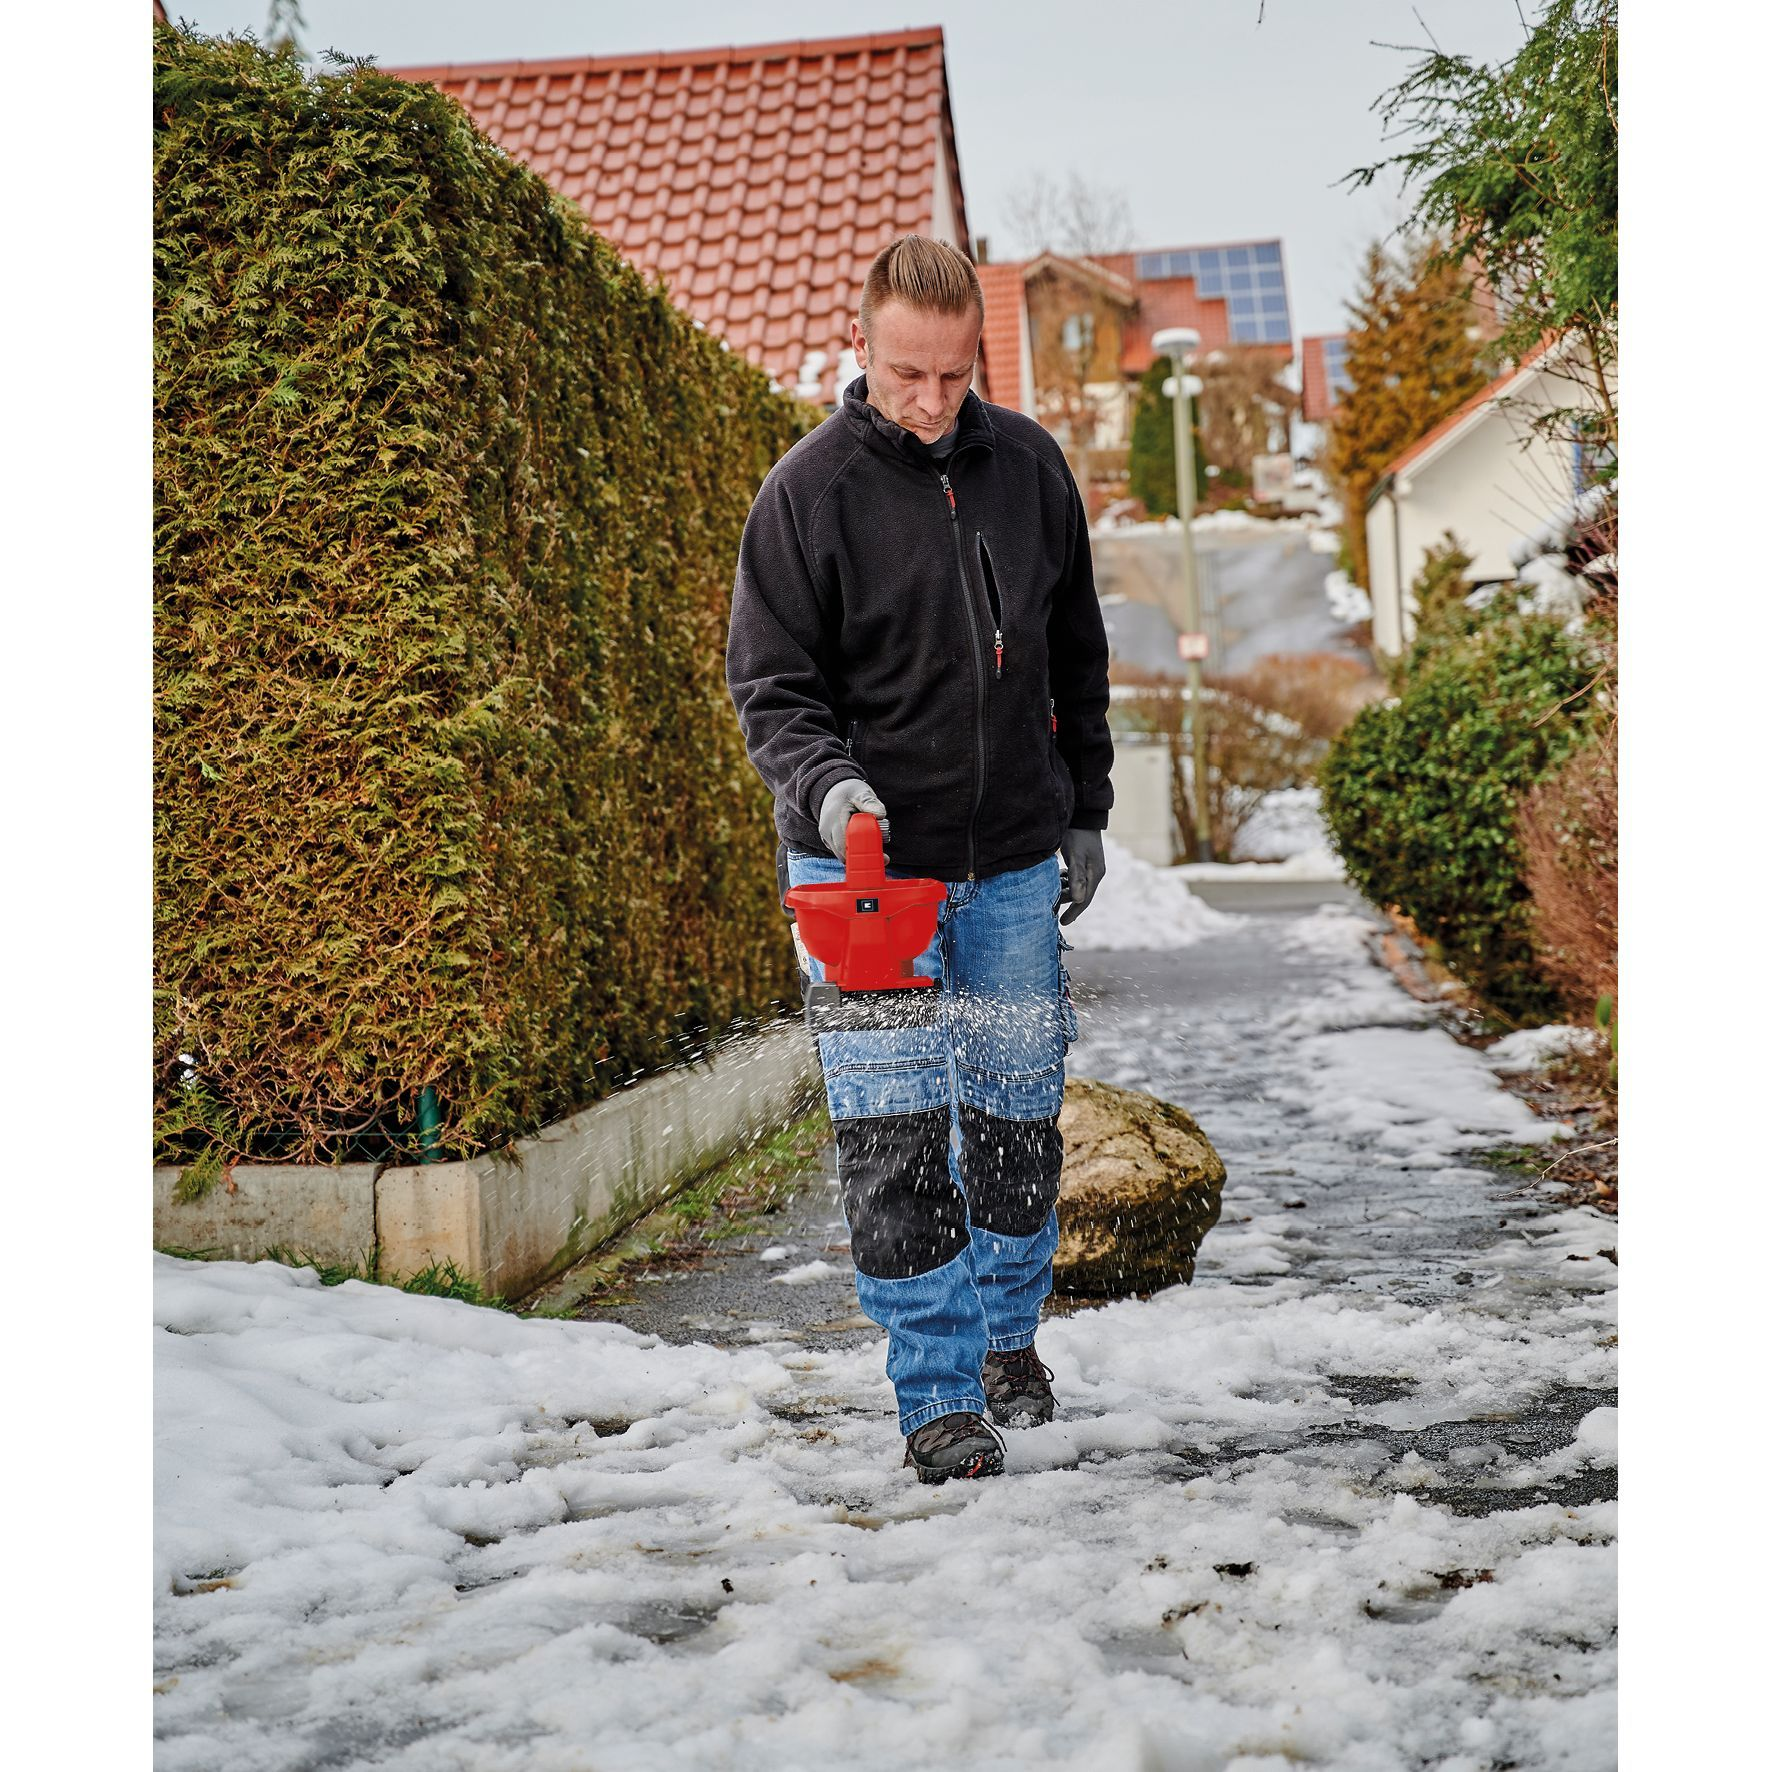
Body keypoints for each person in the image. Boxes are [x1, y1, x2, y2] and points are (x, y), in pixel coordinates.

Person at [726, 235, 1114, 1484]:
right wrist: (834, 793)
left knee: (1015, 1122)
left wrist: (1083, 809)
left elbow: (1075, 656)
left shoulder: (1033, 470)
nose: (933, 402)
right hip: (861, 878)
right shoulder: (807, 493)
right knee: (892, 1138)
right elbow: (771, 688)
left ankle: (1006, 1341)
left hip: (1005, 862)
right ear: (863, 348)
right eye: (907, 374)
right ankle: (936, 1392)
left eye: (953, 376)